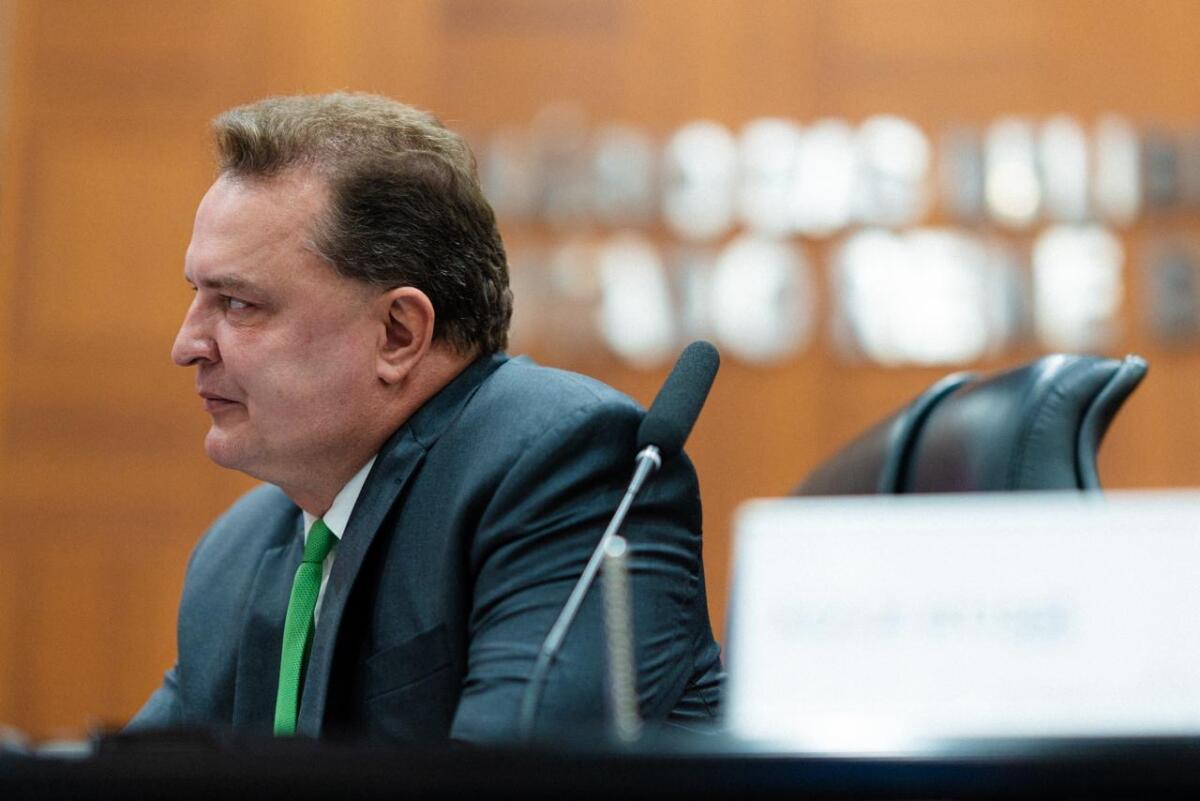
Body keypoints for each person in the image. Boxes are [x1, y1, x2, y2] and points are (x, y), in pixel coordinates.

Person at [128, 92, 723, 742]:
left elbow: (517, 774)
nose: (186, 345)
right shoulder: (236, 553)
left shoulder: (567, 472)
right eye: (198, 295)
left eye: (238, 303)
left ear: (398, 333)